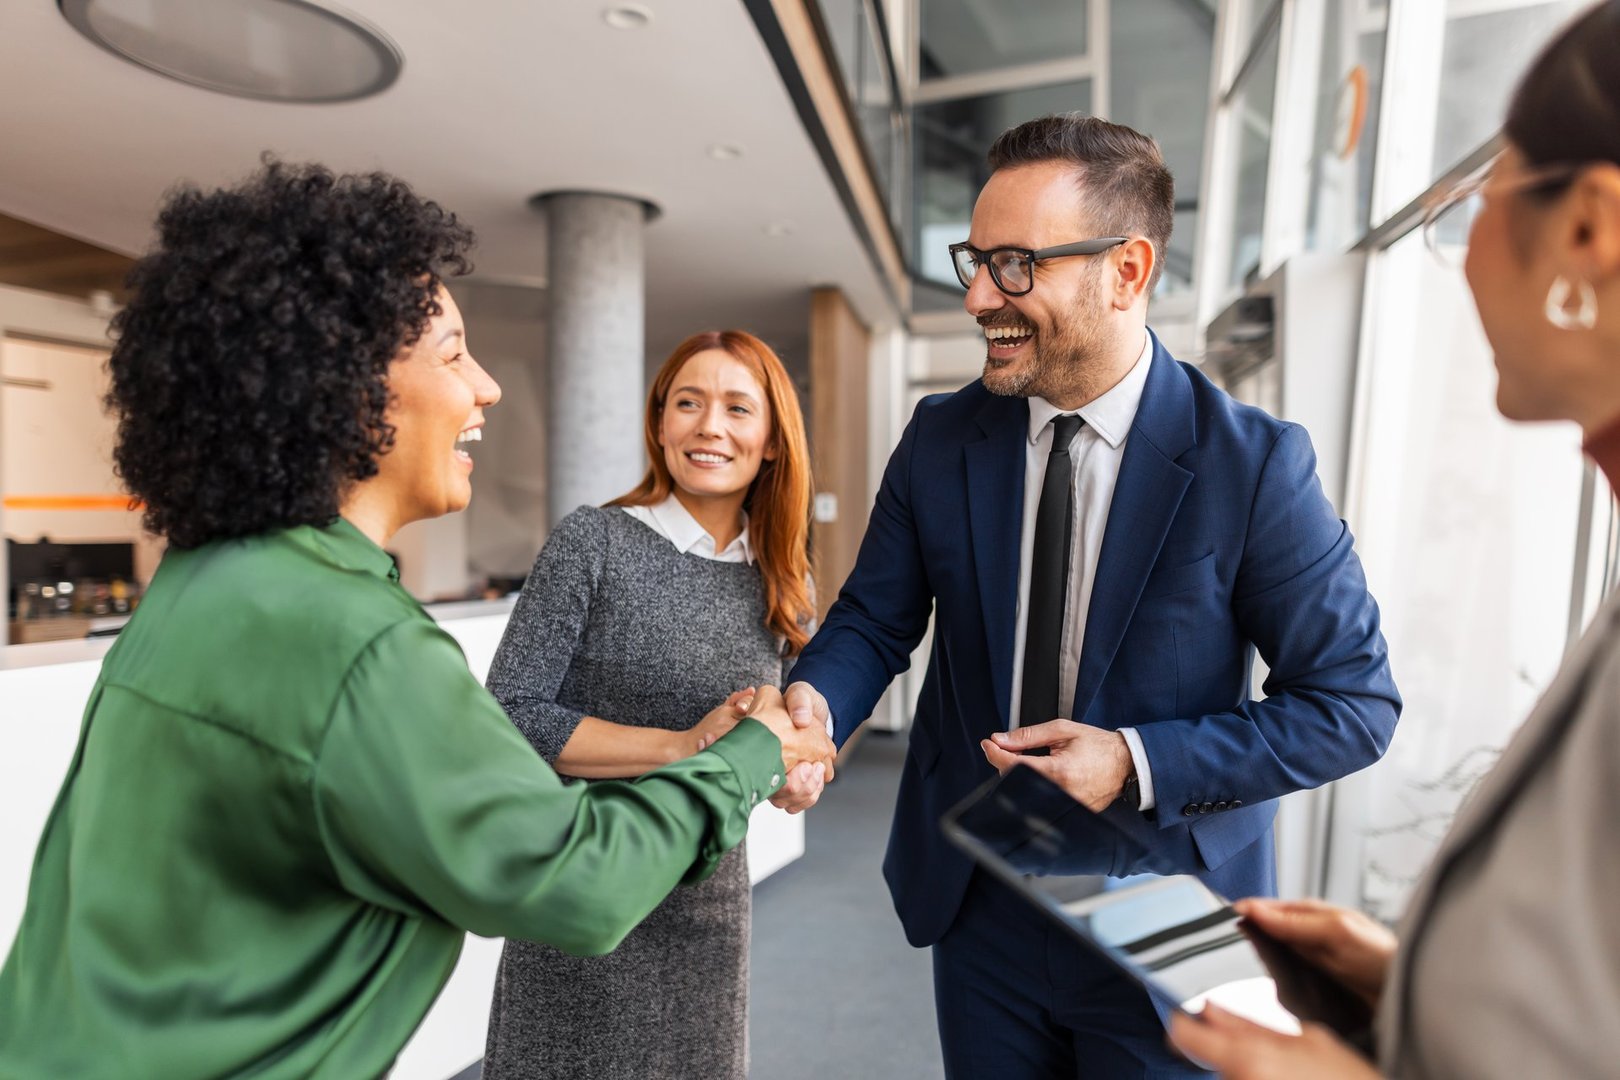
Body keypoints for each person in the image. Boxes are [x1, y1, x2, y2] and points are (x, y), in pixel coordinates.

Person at [0, 161, 834, 1079]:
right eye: (452, 352)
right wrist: (736, 753)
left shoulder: (202, 585)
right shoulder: (363, 644)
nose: (489, 387)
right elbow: (574, 879)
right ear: (346, 382)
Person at [779, 114, 1403, 1076]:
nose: (981, 295)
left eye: (1017, 264)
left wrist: (1135, 760)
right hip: (980, 894)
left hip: (1164, 904)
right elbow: (872, 619)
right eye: (976, 260)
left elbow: (1353, 706)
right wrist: (814, 703)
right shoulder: (942, 439)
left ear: (1127, 269)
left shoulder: (1256, 465)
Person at [1168, 4, 1620, 1076]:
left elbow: (1349, 703)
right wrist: (1413, 983)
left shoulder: (1258, 460)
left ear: (1590, 232)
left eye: (1474, 208)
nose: (1458, 264)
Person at [479, 329, 818, 1079]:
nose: (709, 427)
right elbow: (508, 714)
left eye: (737, 407)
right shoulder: (592, 542)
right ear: (659, 422)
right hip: (582, 889)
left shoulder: (782, 577)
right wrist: (687, 745)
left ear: (769, 441)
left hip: (707, 903)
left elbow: (789, 737)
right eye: (688, 403)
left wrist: (795, 777)